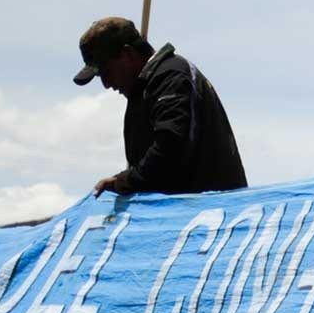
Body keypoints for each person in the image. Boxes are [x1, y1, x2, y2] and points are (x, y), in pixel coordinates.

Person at [73, 14, 246, 197]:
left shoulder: (171, 75)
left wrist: (129, 180)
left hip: (204, 212)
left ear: (128, 54)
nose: (106, 84)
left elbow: (170, 146)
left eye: (107, 72)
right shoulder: (146, 87)